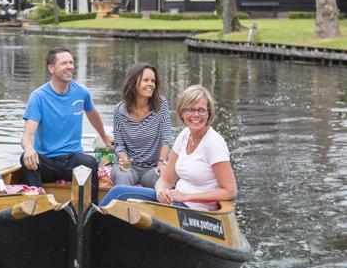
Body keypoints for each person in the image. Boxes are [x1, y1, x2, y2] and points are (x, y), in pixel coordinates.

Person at [99, 84, 237, 211]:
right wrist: (161, 191)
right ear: (182, 113)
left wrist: (186, 197)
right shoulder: (184, 135)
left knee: (122, 196)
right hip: (174, 201)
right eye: (190, 110)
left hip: (194, 210)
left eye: (201, 110)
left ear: (209, 113)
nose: (196, 115)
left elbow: (230, 191)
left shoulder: (214, 143)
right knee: (119, 192)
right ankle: (93, 226)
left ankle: (94, 226)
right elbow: (166, 180)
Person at [20, 47, 113, 203]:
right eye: (64, 63)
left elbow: (93, 115)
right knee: (25, 159)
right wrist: (28, 148)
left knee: (89, 162)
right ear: (51, 68)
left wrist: (104, 136)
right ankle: (37, 205)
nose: (70, 66)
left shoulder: (82, 93)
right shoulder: (38, 97)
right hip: (48, 162)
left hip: (73, 161)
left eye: (71, 62)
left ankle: (92, 211)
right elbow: (27, 136)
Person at [110, 63, 172, 188]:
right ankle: (123, 207)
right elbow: (119, 144)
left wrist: (161, 163)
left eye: (153, 81)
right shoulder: (119, 110)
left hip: (152, 167)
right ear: (134, 83)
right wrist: (124, 159)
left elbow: (166, 139)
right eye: (146, 80)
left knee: (162, 179)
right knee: (123, 176)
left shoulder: (161, 105)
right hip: (129, 167)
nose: (151, 84)